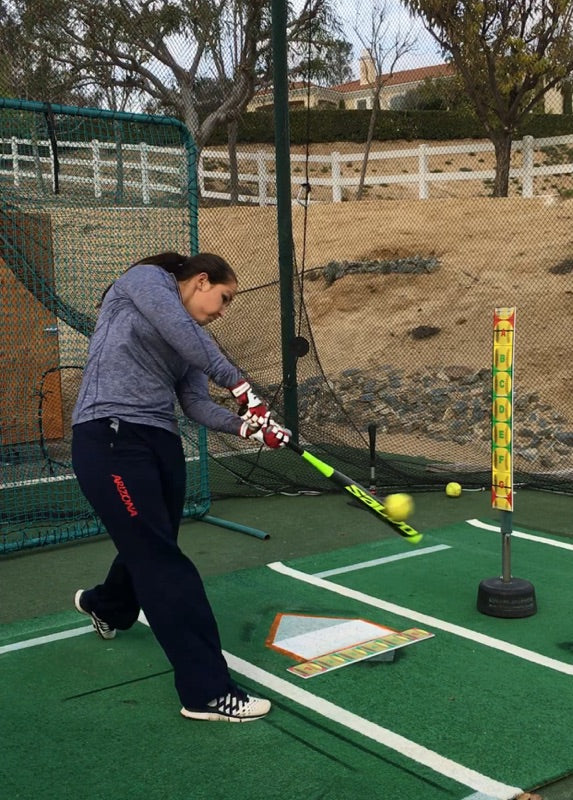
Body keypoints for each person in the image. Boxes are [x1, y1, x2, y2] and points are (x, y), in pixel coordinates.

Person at [71, 251, 290, 723]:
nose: (224, 311)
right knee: (163, 563)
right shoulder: (145, 281)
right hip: (110, 435)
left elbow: (194, 403)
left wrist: (247, 428)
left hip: (159, 440)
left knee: (154, 542)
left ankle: (105, 604)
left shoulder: (192, 341)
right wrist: (242, 388)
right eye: (224, 298)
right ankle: (205, 691)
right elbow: (179, 329)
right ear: (201, 280)